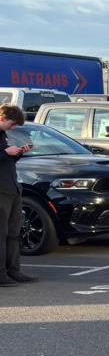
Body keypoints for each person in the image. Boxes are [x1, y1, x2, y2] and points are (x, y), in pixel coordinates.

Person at [0, 104, 36, 286]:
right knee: (1, 234)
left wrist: (18, 154)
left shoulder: (3, 135)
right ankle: (1, 275)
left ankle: (14, 270)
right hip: (1, 191)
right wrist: (5, 152)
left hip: (12, 188)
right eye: (12, 124)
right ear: (2, 118)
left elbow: (6, 161)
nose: (13, 128)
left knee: (13, 233)